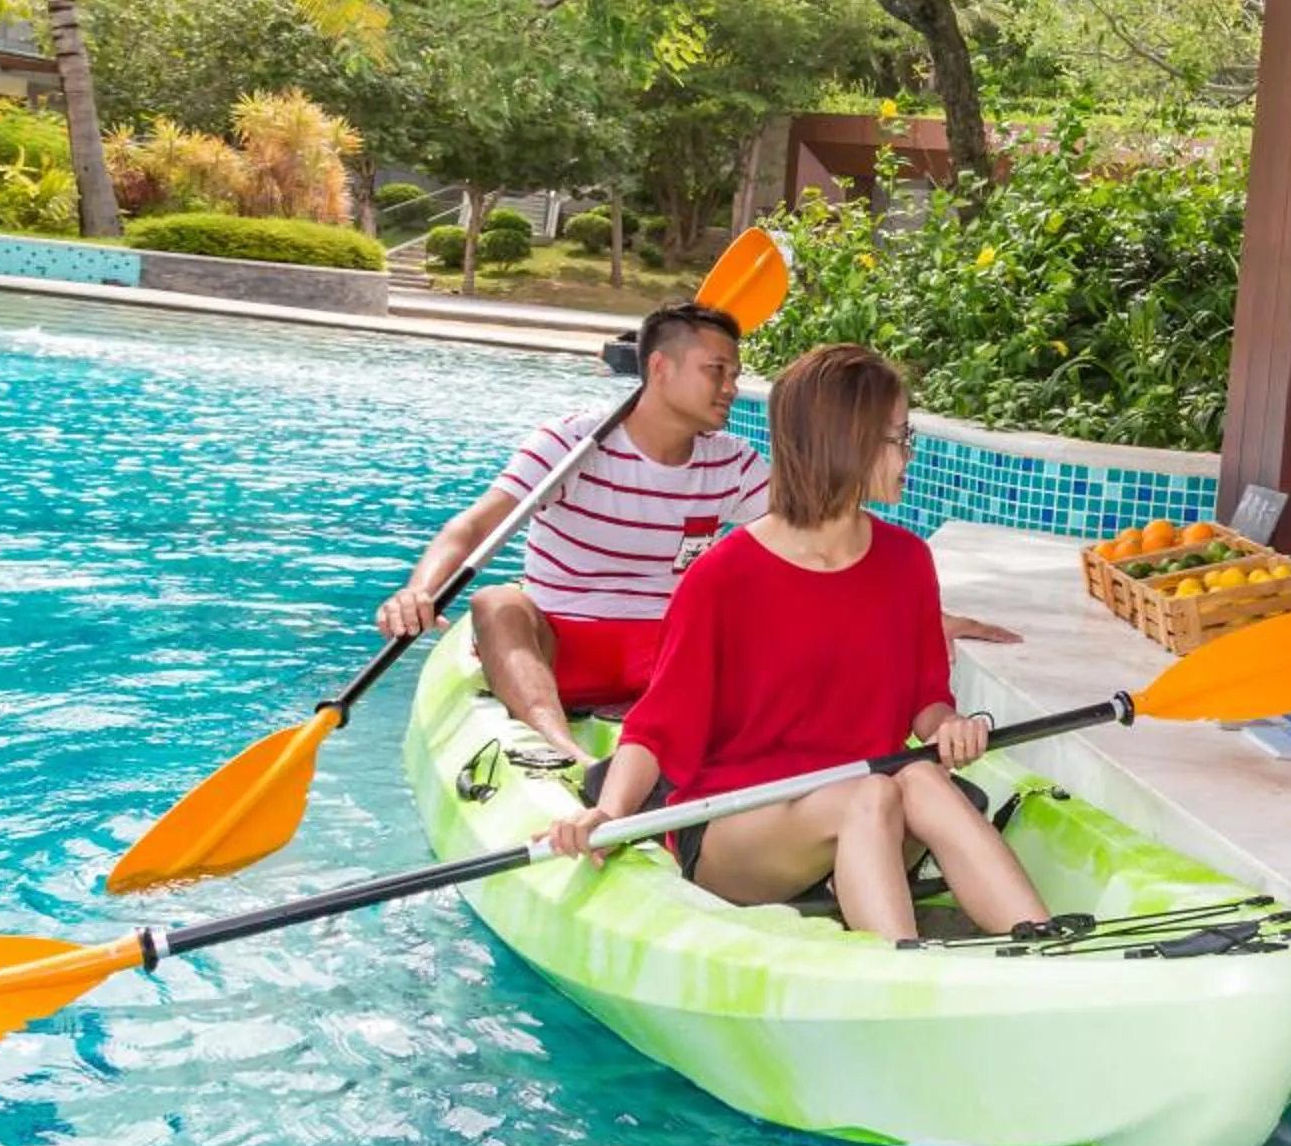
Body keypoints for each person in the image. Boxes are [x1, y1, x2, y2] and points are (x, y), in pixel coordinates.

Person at [546, 344, 1049, 941]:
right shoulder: (723, 578)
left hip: (873, 797)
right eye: (897, 436)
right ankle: (904, 968)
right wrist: (608, 815)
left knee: (917, 777)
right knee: (872, 793)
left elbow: (925, 702)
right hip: (743, 824)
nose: (910, 452)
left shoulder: (907, 561)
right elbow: (657, 729)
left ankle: (1041, 941)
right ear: (846, 443)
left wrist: (949, 725)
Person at [378, 302, 764, 766]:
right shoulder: (571, 443)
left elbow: (811, 528)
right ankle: (563, 754)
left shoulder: (732, 462)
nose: (731, 388)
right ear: (659, 368)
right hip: (563, 651)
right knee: (496, 603)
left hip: (668, 656)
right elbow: (473, 526)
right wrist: (419, 590)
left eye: (734, 374)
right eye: (717, 370)